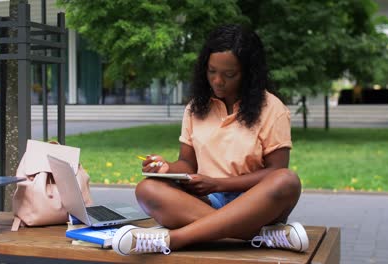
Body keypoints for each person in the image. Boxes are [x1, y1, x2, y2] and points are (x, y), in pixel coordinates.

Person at [112, 24, 309, 256]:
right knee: (147, 190)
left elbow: (276, 170)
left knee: (287, 181)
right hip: (205, 201)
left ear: (249, 73)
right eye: (211, 71)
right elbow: (187, 163)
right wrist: (166, 168)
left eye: (229, 74)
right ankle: (263, 236)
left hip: (257, 203)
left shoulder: (272, 109)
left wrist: (218, 184)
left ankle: (173, 239)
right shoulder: (196, 108)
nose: (217, 81)